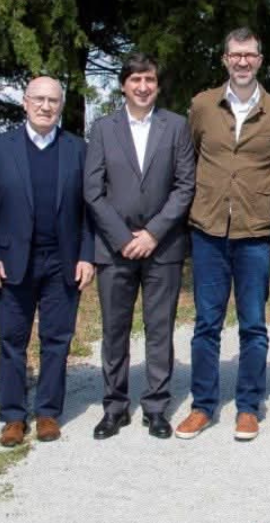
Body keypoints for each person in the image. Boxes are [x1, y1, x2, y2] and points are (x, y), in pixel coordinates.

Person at [178, 29, 270, 442]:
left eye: (250, 55)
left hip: (255, 233)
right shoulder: (203, 106)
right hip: (208, 231)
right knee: (206, 323)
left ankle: (248, 407)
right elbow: (189, 160)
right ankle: (203, 406)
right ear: (224, 59)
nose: (242, 62)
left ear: (260, 60)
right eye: (235, 55)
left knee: (253, 325)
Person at [0, 76, 96, 447]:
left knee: (56, 339)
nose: (46, 106)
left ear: (61, 105)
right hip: (12, 261)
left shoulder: (78, 149)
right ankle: (12, 416)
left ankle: (47, 413)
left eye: (53, 100)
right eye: (39, 99)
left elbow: (90, 211)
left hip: (62, 260)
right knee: (12, 339)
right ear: (24, 103)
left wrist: (87, 256)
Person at [84, 53, 196, 440]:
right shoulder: (102, 128)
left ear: (157, 85)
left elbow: (185, 186)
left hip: (162, 248)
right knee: (115, 330)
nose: (143, 87)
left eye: (149, 80)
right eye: (136, 80)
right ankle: (114, 407)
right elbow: (92, 191)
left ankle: (156, 407)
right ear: (123, 85)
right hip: (114, 250)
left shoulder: (176, 127)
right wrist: (122, 238)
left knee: (159, 329)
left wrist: (153, 234)